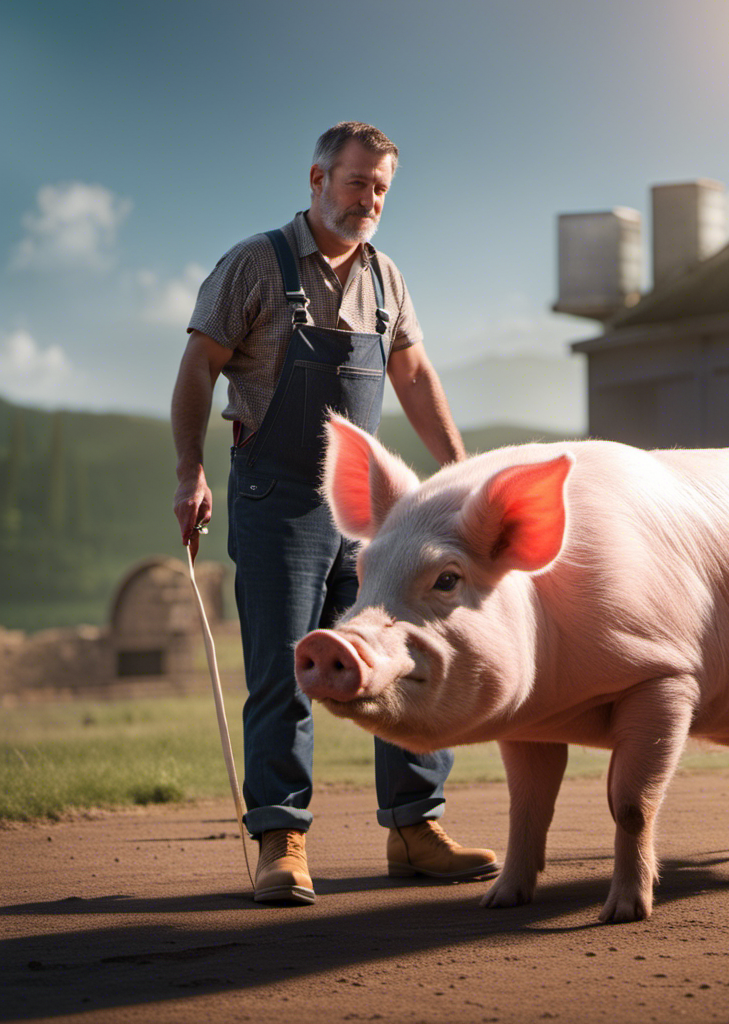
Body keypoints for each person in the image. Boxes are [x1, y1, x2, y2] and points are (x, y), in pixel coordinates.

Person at [171, 121, 497, 905]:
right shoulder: (255, 264)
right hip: (274, 499)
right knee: (288, 672)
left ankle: (416, 829)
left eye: (381, 188)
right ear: (316, 178)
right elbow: (196, 369)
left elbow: (414, 379)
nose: (370, 200)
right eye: (357, 183)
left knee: (403, 662)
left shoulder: (387, 279)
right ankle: (281, 838)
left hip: (371, 515)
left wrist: (455, 473)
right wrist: (190, 470)